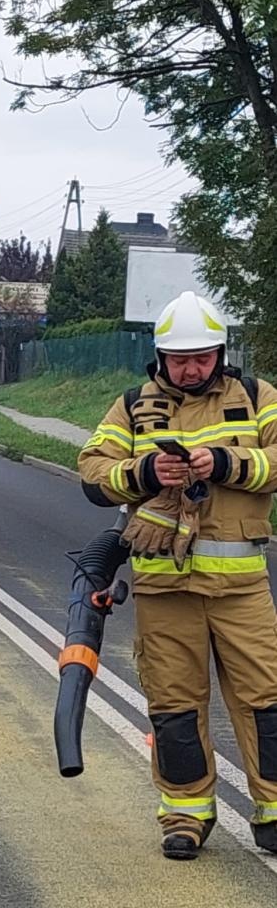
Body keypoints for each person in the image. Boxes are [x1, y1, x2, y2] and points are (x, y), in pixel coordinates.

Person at [78, 290, 277, 861]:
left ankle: (273, 812)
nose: (191, 369)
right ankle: (187, 816)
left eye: (202, 358)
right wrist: (144, 472)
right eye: (179, 359)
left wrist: (227, 463)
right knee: (174, 707)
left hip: (241, 591)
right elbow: (91, 473)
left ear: (220, 353)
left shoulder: (257, 398)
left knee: (266, 702)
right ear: (160, 357)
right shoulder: (132, 407)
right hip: (164, 590)